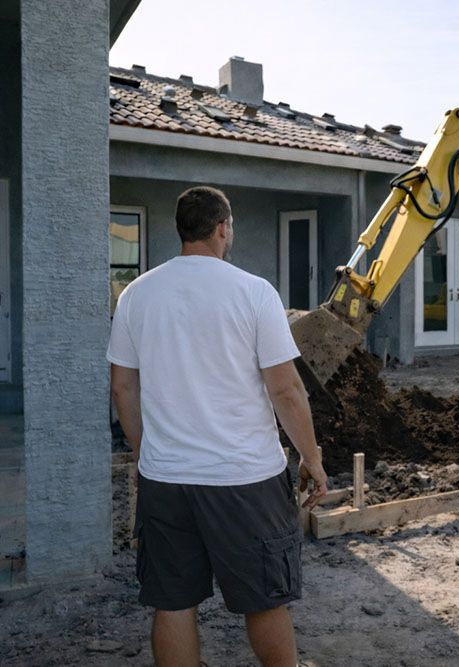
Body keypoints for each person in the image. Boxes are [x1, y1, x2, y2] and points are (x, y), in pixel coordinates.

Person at [107, 186, 329, 667]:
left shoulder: (137, 294)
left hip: (166, 480)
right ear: (223, 227)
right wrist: (311, 456)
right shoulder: (252, 291)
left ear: (181, 229)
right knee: (264, 598)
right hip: (244, 481)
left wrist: (150, 453)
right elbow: (286, 389)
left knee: (173, 602)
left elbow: (123, 388)